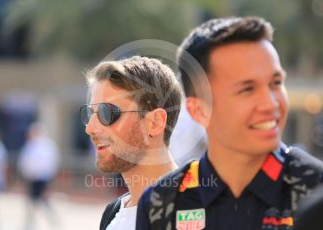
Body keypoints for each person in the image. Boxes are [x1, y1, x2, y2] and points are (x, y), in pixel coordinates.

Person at [136, 16, 323, 230]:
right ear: (199, 111)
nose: (271, 103)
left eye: (276, 83)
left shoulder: (316, 190)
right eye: (247, 89)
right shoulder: (161, 204)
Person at [81, 56, 182, 230]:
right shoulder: (113, 213)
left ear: (154, 123)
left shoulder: (197, 211)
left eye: (107, 112)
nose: (90, 128)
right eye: (91, 113)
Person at [18, 122, 59, 229]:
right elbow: (25, 162)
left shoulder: (48, 145)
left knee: (44, 201)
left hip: (43, 178)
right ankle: (29, 224)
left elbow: (52, 162)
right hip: (32, 178)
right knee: (31, 202)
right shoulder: (30, 145)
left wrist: (49, 176)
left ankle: (53, 222)